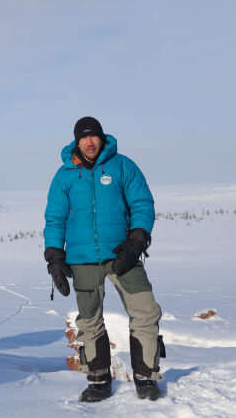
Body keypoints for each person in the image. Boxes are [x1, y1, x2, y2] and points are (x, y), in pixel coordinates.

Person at [44, 116, 165, 402]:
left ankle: (146, 377)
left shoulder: (123, 166)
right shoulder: (64, 175)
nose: (89, 142)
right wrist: (54, 257)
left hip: (122, 254)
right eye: (84, 137)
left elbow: (142, 203)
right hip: (82, 258)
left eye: (93, 136)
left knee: (145, 312)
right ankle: (98, 380)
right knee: (89, 320)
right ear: (77, 141)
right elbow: (55, 218)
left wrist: (136, 242)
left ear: (102, 138)